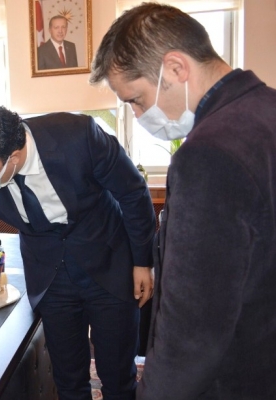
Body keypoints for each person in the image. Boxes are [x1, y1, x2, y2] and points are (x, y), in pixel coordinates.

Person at [0, 103, 156, 399]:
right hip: (50, 275)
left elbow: (133, 193)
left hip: (108, 259)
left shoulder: (79, 136)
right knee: (69, 380)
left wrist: (143, 261)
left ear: (14, 157)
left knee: (118, 377)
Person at [90, 3, 276, 399]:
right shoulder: (266, 108)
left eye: (136, 99)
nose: (138, 114)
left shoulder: (208, 154)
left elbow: (194, 325)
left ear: (175, 68)